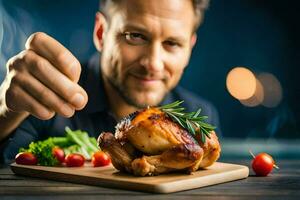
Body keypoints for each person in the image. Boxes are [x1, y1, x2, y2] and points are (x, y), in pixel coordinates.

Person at [0, 0, 220, 163]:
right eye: (135, 36)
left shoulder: (200, 114)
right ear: (101, 32)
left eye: (172, 43)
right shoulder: (45, 94)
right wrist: (4, 112)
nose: (153, 63)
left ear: (190, 47)